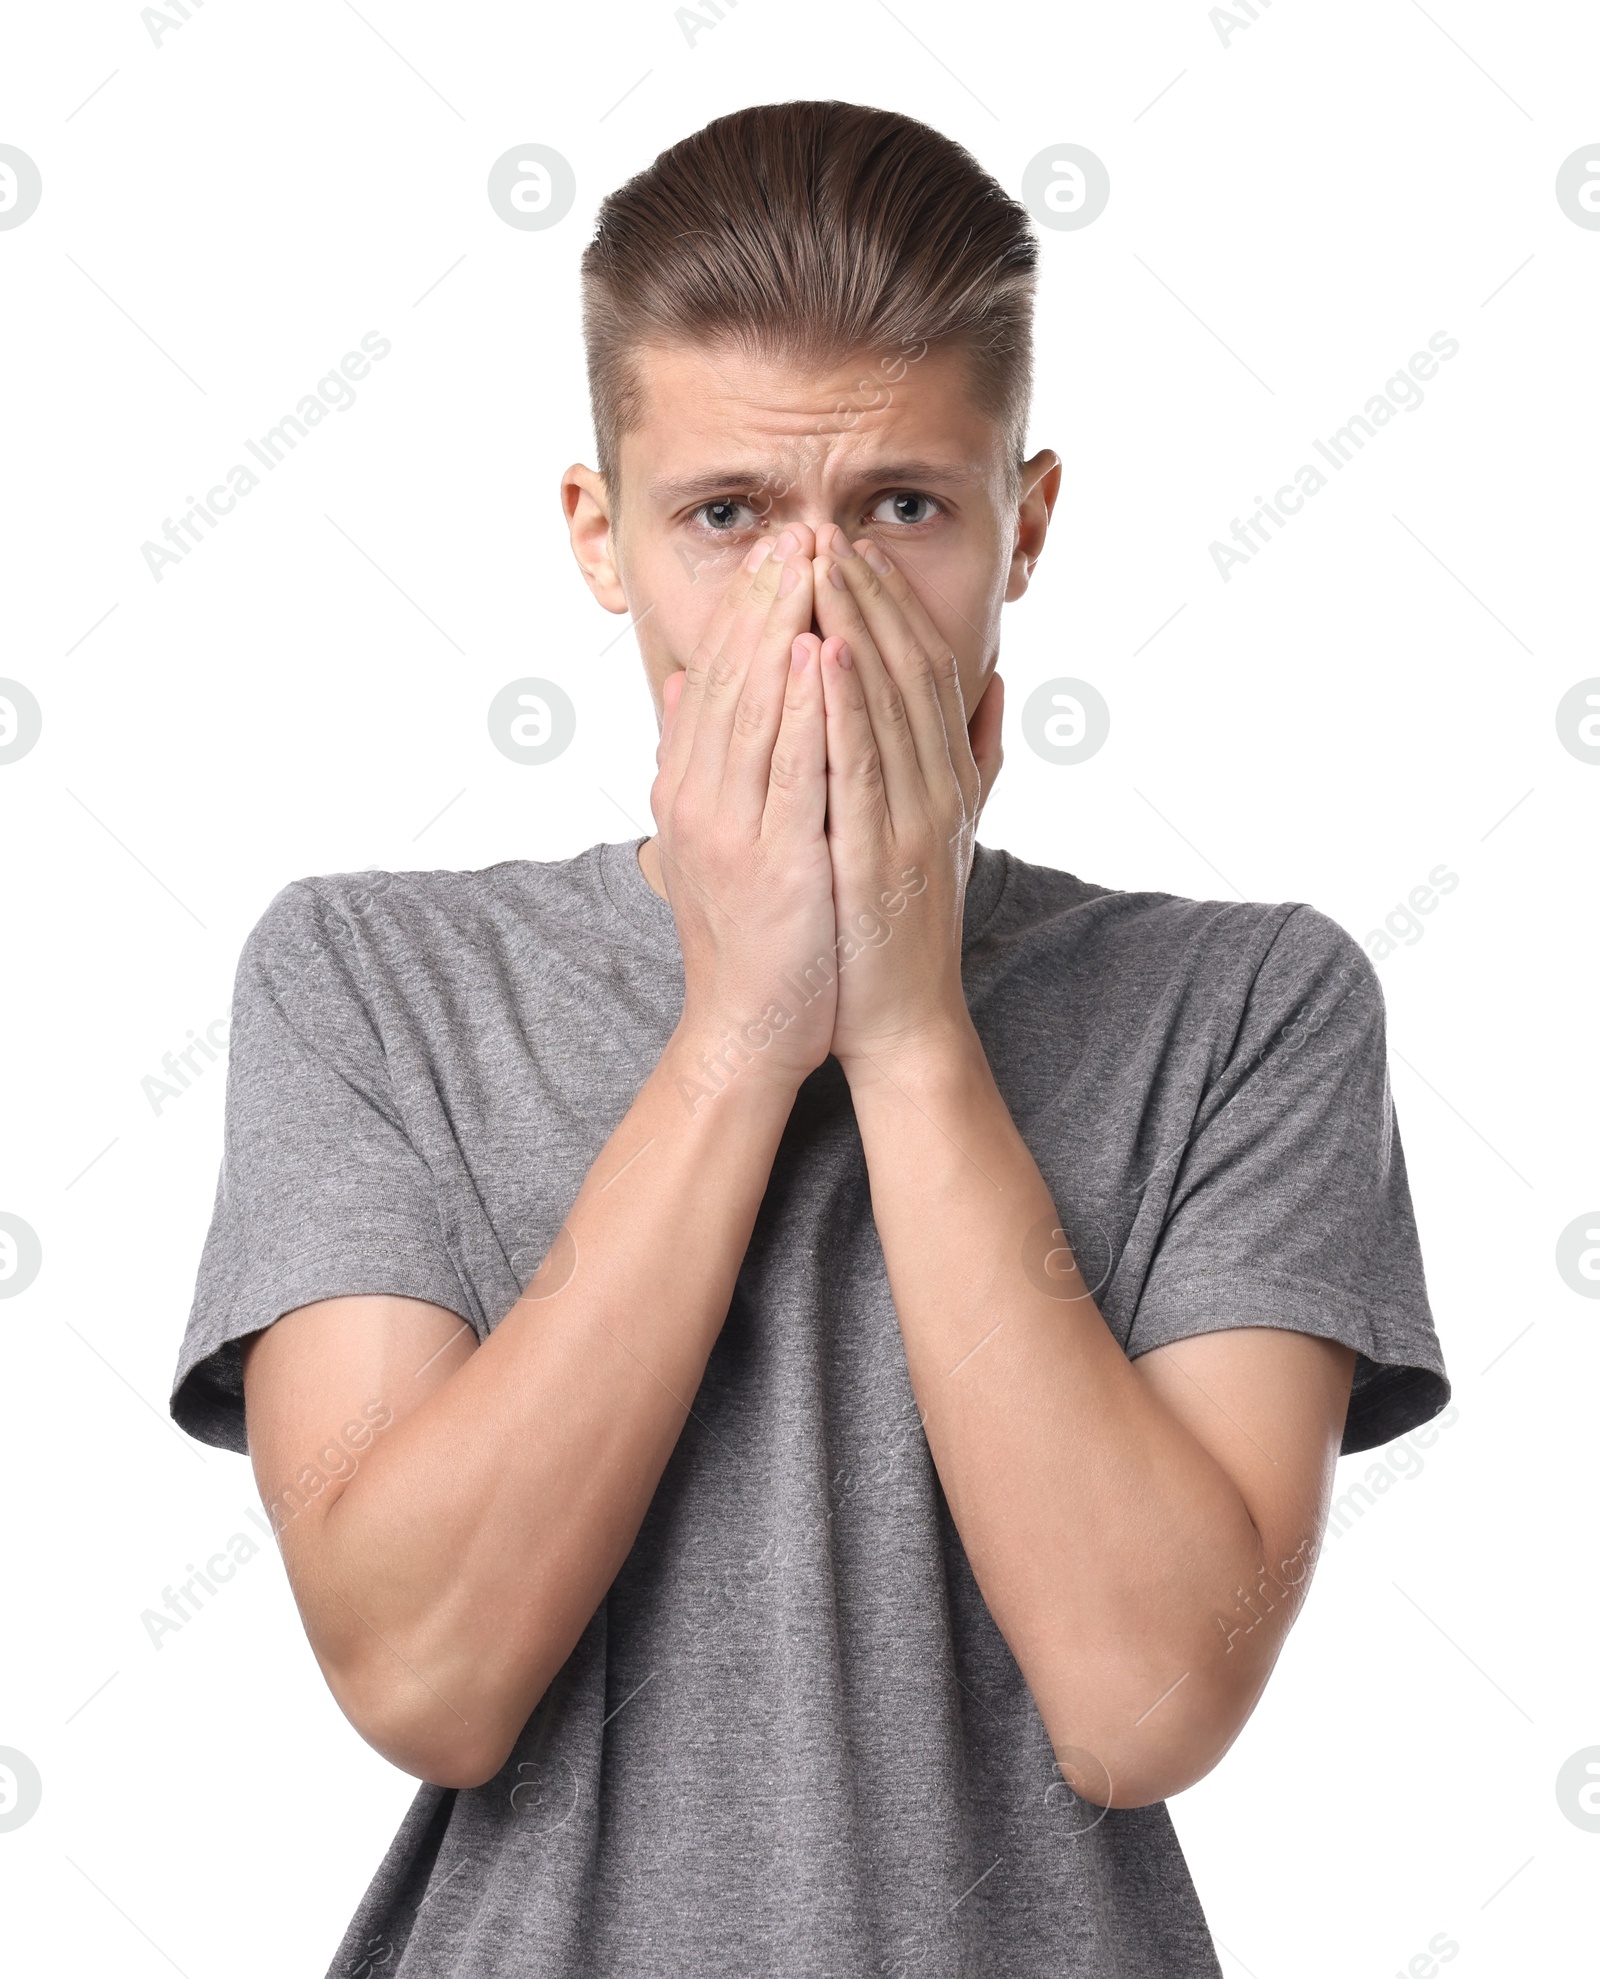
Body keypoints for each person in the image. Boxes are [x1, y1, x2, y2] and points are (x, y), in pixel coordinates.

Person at [169, 98, 1450, 1979]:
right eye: (728, 518)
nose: (817, 620)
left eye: (901, 511)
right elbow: (424, 1675)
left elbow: (1145, 1699)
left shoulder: (1252, 1008)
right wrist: (741, 1032)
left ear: (1026, 525)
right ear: (601, 537)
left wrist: (915, 1030)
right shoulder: (371, 982)